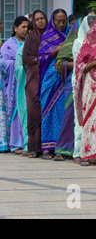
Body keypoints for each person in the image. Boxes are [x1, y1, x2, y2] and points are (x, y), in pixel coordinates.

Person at [74, 17, 96, 166]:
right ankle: (87, 154)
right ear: (95, 26)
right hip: (90, 86)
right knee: (90, 117)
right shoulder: (88, 44)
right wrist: (94, 64)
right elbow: (79, 64)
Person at [38, 9, 70, 159]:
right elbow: (40, 59)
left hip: (65, 79)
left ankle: (61, 148)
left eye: (64, 21)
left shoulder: (71, 36)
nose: (62, 24)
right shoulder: (47, 37)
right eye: (59, 21)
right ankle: (46, 149)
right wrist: (56, 51)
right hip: (50, 79)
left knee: (63, 113)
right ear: (53, 21)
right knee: (47, 113)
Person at [53, 17, 82, 161]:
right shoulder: (70, 43)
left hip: (90, 83)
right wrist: (78, 64)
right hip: (72, 82)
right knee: (70, 114)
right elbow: (59, 64)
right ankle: (63, 148)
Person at [0, 16, 29, 153]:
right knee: (17, 113)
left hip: (27, 82)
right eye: (23, 27)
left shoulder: (30, 43)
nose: (25, 30)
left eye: (27, 27)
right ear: (15, 28)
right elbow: (3, 63)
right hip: (13, 85)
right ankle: (16, 143)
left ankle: (27, 142)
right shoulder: (8, 45)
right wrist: (17, 63)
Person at [22, 10, 48, 158]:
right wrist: (42, 59)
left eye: (42, 18)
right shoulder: (31, 38)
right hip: (34, 77)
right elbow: (25, 59)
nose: (40, 21)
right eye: (37, 19)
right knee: (34, 110)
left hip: (49, 77)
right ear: (33, 21)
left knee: (48, 111)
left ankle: (47, 147)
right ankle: (33, 147)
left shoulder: (52, 36)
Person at [71, 15, 96, 163]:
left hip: (95, 85)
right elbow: (80, 65)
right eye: (91, 25)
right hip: (81, 83)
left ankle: (92, 151)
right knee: (80, 118)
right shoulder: (78, 42)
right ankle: (78, 152)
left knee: (93, 118)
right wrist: (94, 63)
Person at [14, 21, 33, 156]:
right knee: (26, 115)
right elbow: (17, 69)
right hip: (25, 87)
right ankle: (27, 144)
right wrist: (28, 66)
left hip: (38, 86)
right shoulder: (22, 49)